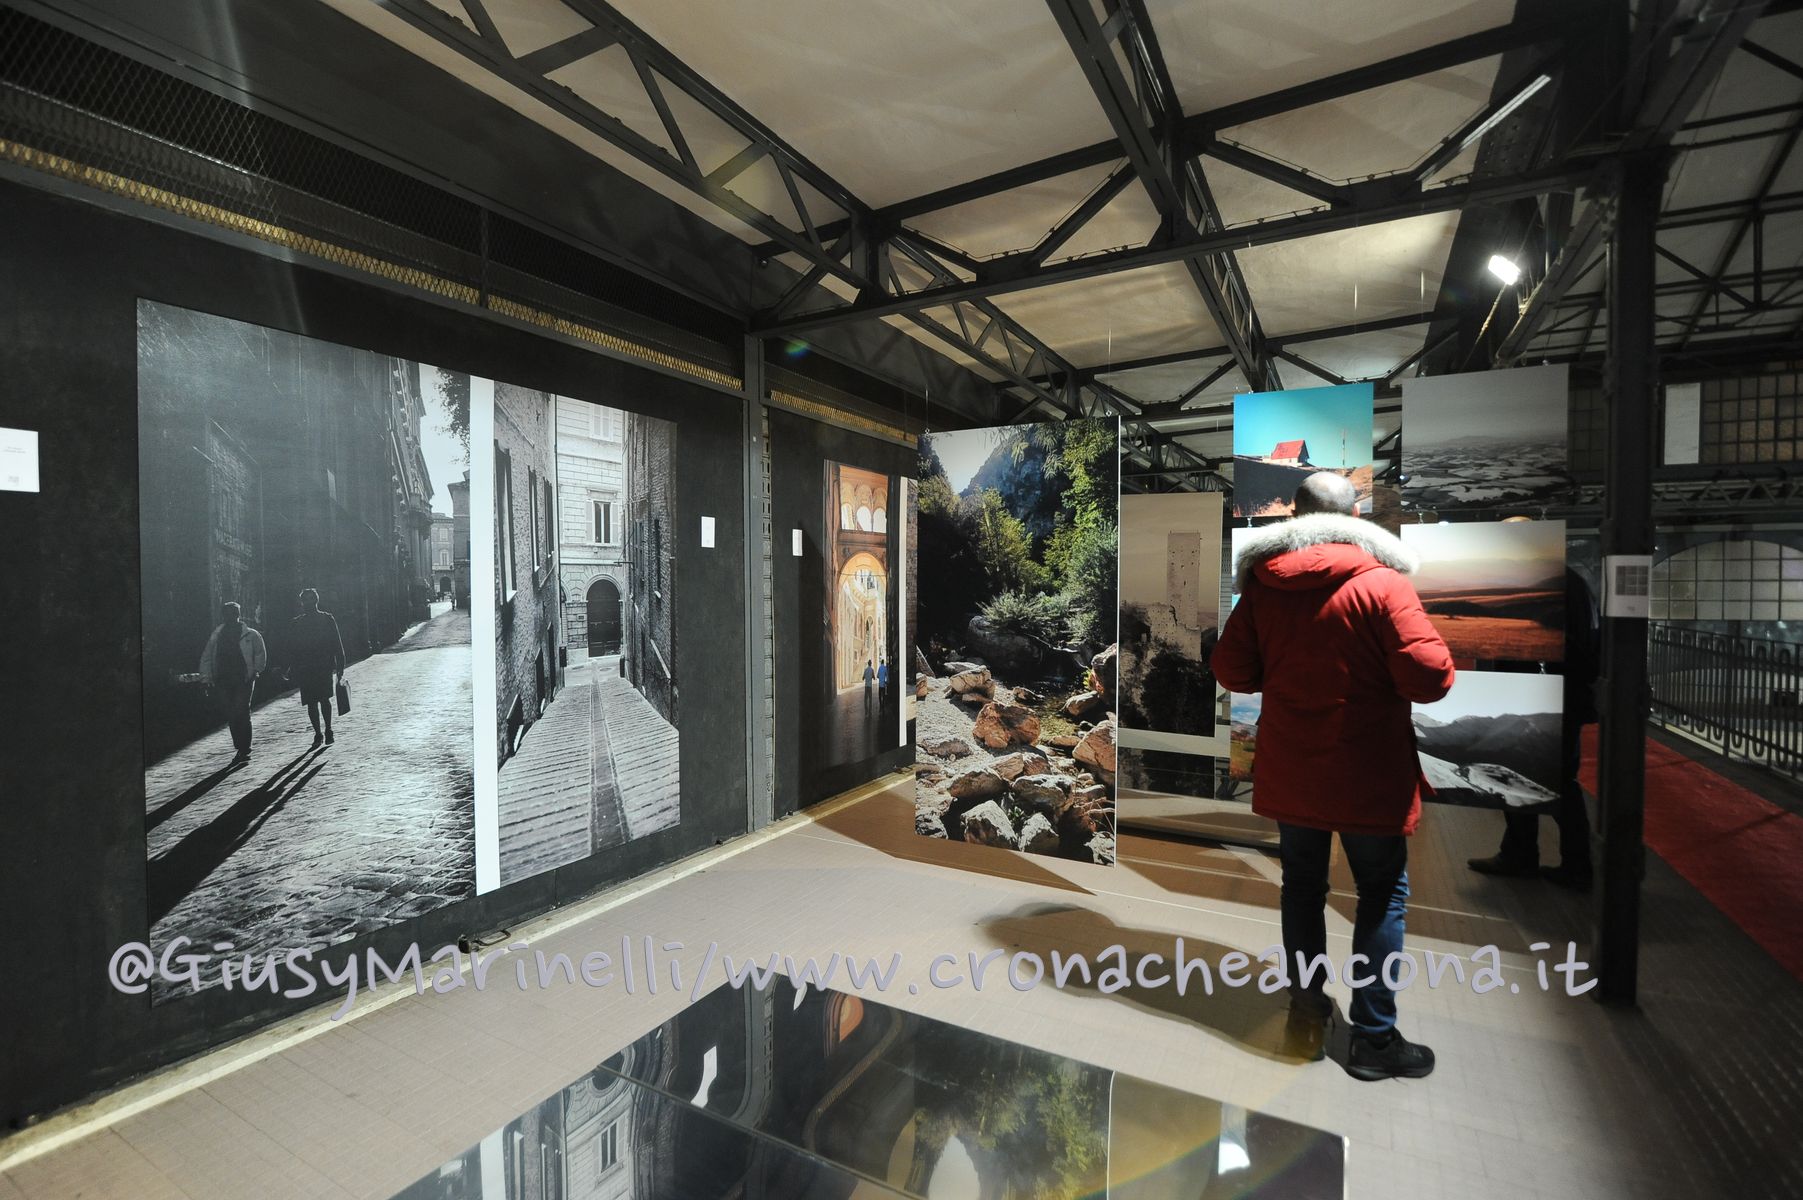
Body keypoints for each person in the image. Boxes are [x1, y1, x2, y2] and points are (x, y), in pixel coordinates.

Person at [1211, 473, 1455, 1080]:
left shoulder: (1263, 586)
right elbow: (1430, 677)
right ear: (1356, 517)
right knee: (1381, 895)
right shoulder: (1383, 583)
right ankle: (1373, 1040)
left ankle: (1305, 1018)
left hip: (1294, 770)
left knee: (1301, 889)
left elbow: (1233, 670)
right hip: (1369, 773)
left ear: (1294, 515)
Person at [1468, 565, 1600, 888]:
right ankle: (1556, 860)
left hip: (1541, 694)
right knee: (1553, 777)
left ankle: (1536, 858)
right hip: (1561, 694)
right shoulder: (1572, 582)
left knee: (1548, 778)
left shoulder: (1548, 583)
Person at [198, 601, 268, 762]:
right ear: (223, 616)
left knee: (242, 710)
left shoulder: (251, 634)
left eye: (233, 613)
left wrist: (255, 671)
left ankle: (244, 747)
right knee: (231, 712)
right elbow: (207, 656)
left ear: (238, 615)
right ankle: (239, 745)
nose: (230, 617)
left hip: (244, 678)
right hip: (223, 679)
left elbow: (260, 653)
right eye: (227, 614)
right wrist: (206, 677)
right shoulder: (217, 635)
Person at [287, 588, 346, 747]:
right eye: (305, 600)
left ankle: (328, 729)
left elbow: (337, 643)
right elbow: (293, 648)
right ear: (302, 603)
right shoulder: (296, 623)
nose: (308, 602)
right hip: (305, 668)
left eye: (311, 599)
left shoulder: (327, 619)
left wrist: (340, 666)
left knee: (324, 699)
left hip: (323, 666)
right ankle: (318, 733)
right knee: (310, 702)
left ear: (316, 600)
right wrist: (292, 667)